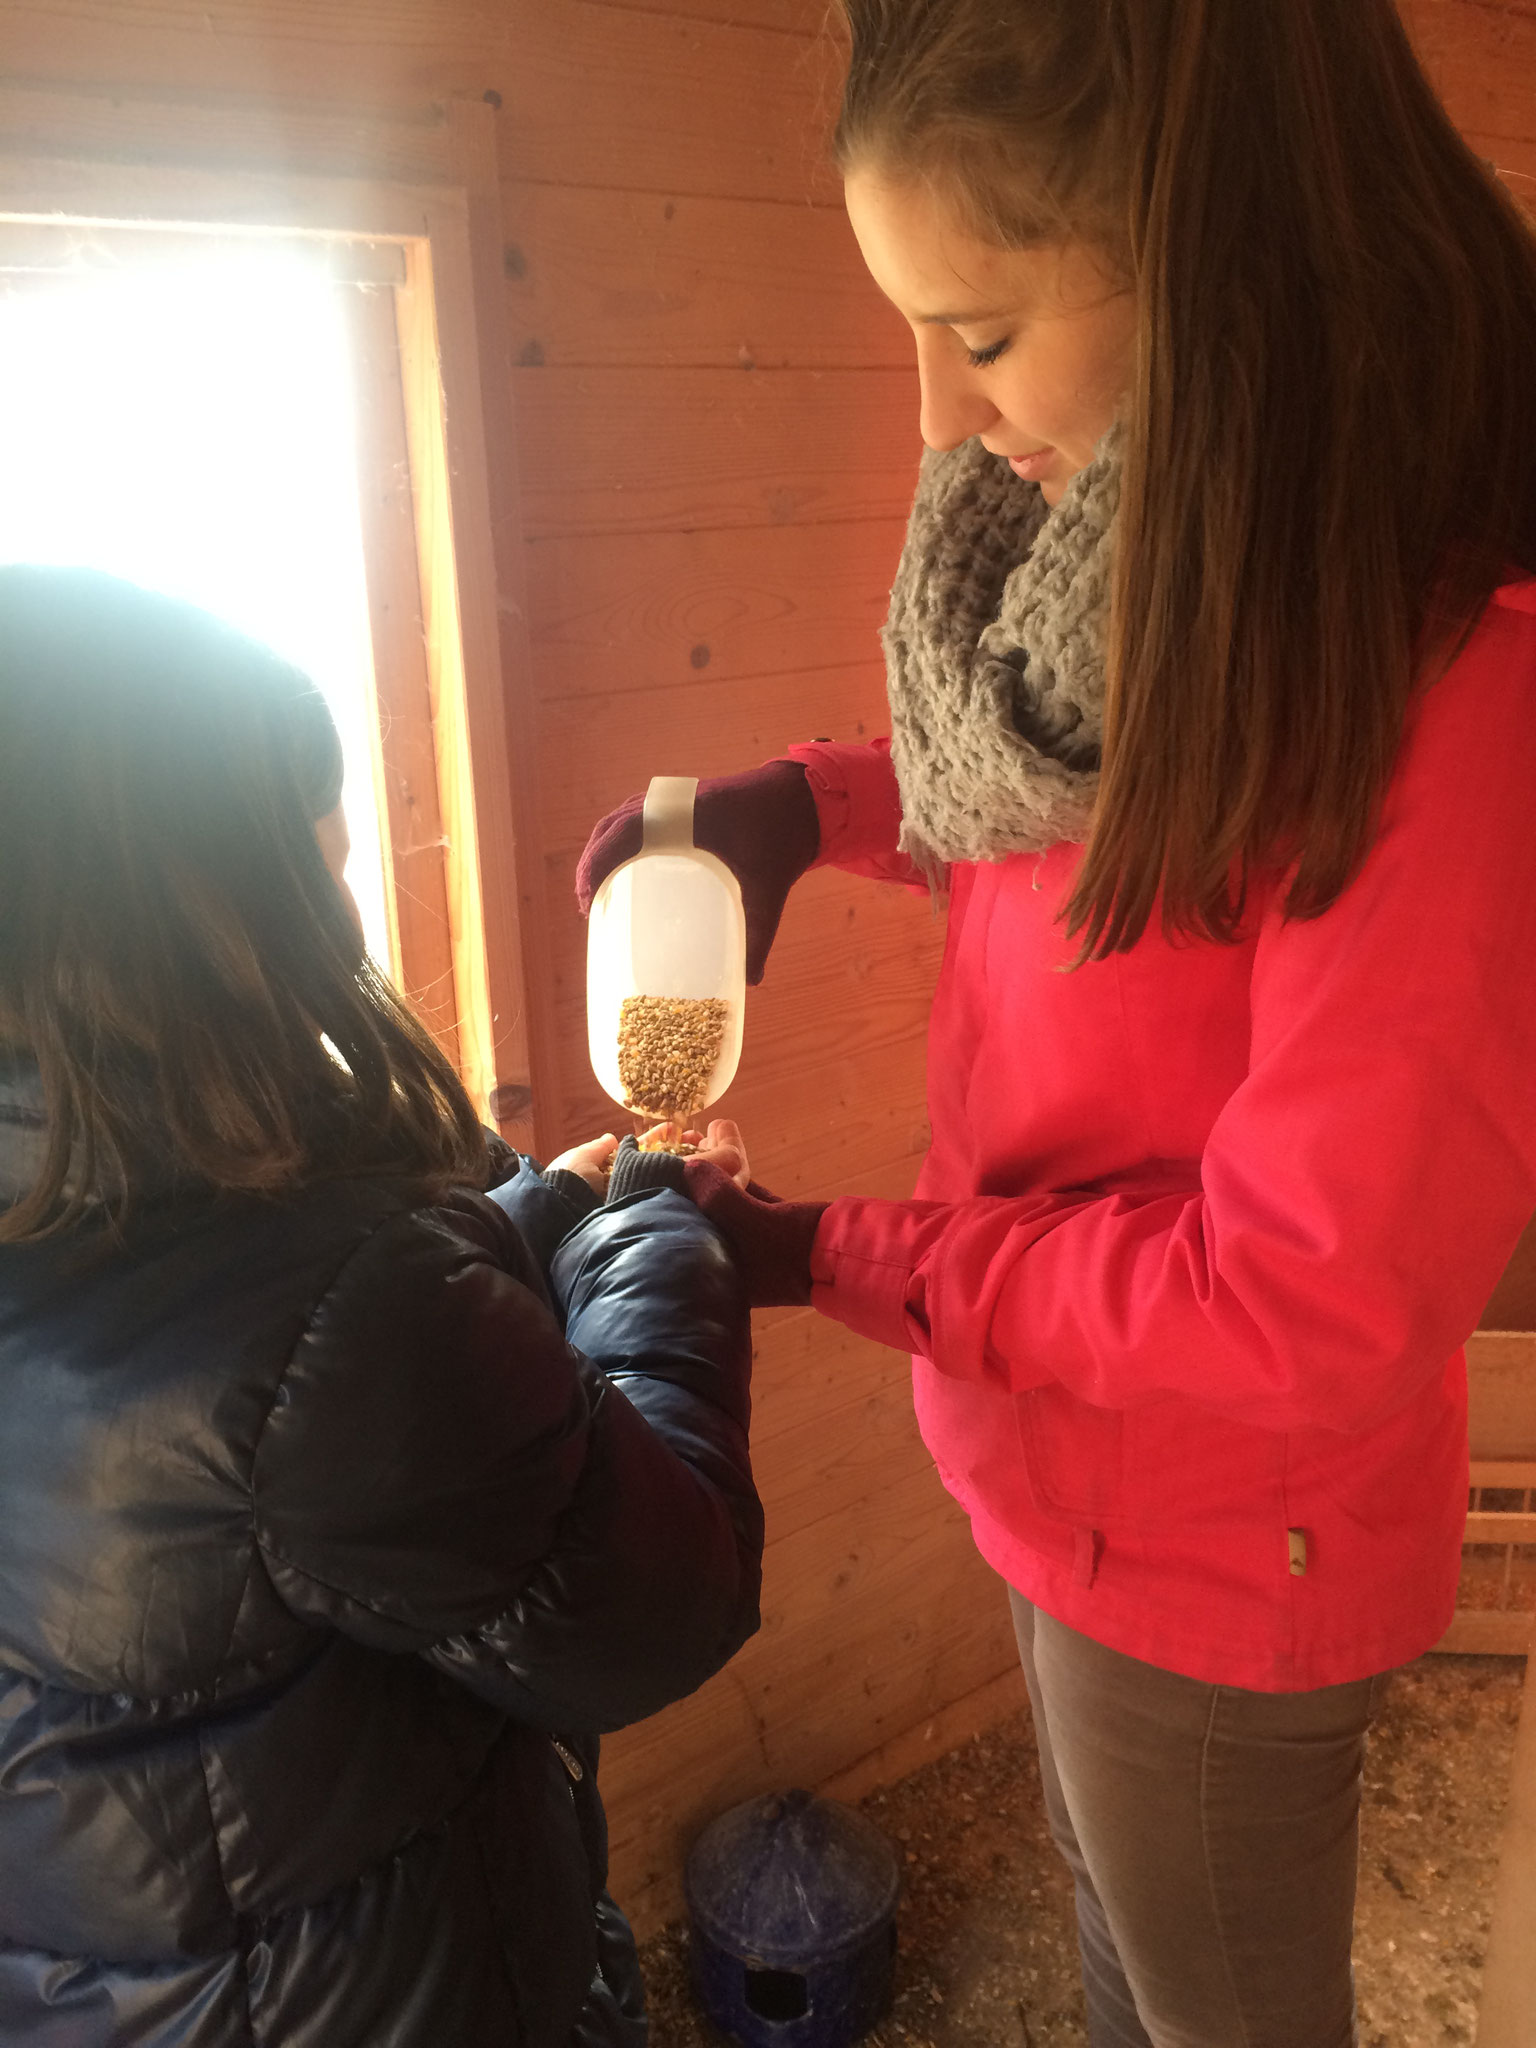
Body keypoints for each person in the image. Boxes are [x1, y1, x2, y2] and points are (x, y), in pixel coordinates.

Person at [577, 3, 1536, 2042]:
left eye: (985, 333)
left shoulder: (1453, 688)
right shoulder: (1160, 543)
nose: (937, 414)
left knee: (1215, 2007)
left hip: (1213, 1529)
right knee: (1124, 1949)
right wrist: (811, 810)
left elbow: (1306, 1307)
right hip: (1054, 1449)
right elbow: (1104, 844)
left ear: (1221, 273)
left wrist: (834, 1253)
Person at [0, 565, 764, 2048]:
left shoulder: (104, 1188)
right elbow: (656, 1602)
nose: (347, 918)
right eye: (316, 875)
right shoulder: (337, 1312)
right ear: (180, 924)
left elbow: (293, 1353)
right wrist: (658, 1239)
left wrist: (531, 1216)